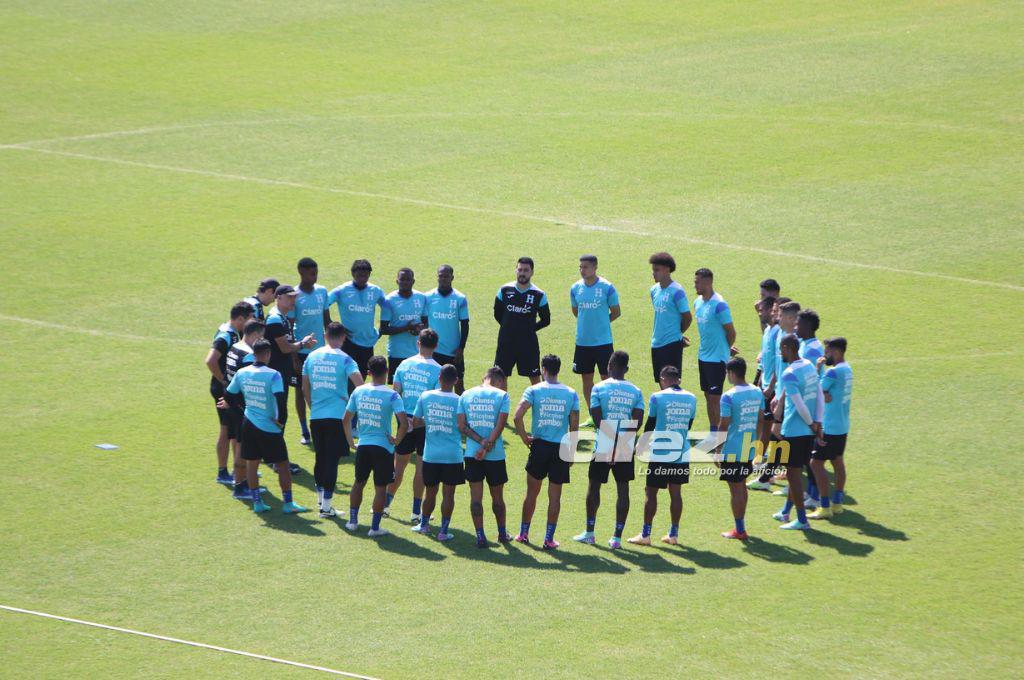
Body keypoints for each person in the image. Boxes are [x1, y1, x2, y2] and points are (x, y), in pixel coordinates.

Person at [221, 339, 307, 514]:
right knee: (282, 464)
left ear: (254, 353)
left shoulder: (242, 373)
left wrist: (244, 409)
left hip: (248, 424)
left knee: (252, 464)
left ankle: (257, 502)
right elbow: (280, 400)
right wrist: (280, 421)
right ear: (268, 354)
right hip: (269, 427)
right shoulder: (273, 374)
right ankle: (288, 503)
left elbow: (229, 396)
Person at [573, 351, 643, 549]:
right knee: (623, 489)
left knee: (594, 486)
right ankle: (616, 538)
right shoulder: (636, 391)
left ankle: (590, 532)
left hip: (603, 444)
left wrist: (610, 445)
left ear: (608, 367)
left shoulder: (598, 388)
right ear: (627, 369)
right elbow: (637, 421)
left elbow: (597, 419)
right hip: (625, 446)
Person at [513, 354, 579, 549]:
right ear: (558, 370)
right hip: (561, 449)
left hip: (539, 446)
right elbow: (574, 425)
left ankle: (523, 533)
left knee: (531, 493)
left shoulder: (533, 390)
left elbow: (517, 416)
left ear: (542, 369)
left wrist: (525, 437)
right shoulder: (571, 393)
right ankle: (549, 539)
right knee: (555, 497)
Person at [628, 366, 696, 546]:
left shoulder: (657, 397)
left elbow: (650, 424)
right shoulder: (691, 398)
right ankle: (673, 534)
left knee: (651, 492)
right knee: (676, 493)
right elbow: (688, 425)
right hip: (681, 453)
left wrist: (641, 444)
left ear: (663, 379)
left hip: (661, 453)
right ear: (678, 379)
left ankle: (645, 535)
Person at [302, 323, 363, 518]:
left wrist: (313, 406)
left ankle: (321, 501)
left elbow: (305, 387)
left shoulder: (311, 357)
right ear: (343, 337)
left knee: (320, 457)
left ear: (324, 335)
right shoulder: (346, 359)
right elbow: (360, 386)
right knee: (332, 460)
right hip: (337, 416)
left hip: (317, 415)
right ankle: (326, 507)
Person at [343, 356, 408, 537]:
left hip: (363, 446)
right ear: (387, 372)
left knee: (358, 483)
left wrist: (350, 442)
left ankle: (352, 522)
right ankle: (375, 528)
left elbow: (346, 419)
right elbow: (403, 423)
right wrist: (397, 441)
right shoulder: (392, 395)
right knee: (381, 488)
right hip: (383, 449)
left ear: (369, 373)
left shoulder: (358, 391)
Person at [385, 329, 443, 522]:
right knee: (421, 469)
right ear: (435, 345)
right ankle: (416, 512)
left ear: (418, 342)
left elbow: (395, 394)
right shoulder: (438, 370)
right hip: (424, 424)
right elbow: (435, 401)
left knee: (397, 466)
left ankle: (384, 505)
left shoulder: (403, 364)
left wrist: (403, 421)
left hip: (404, 421)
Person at [770, 334, 823, 531]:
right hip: (808, 431)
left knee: (793, 474)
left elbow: (799, 403)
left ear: (787, 348)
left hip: (794, 430)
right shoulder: (809, 366)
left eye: (781, 350)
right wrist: (817, 422)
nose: (780, 354)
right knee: (795, 472)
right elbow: (818, 394)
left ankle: (802, 519)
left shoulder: (789, 373)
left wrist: (810, 423)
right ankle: (786, 512)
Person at [458, 367, 512, 548]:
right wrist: (489, 444)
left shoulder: (465, 395)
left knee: (476, 498)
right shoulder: (502, 396)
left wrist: (480, 442)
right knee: (498, 498)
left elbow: (462, 426)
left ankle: (480, 536)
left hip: (472, 454)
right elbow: (501, 424)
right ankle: (502, 534)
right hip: (495, 455)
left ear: (485, 378)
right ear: (499, 381)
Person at [265, 285, 316, 473]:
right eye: (289, 297)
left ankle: (274, 457)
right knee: (278, 415)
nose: (293, 300)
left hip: (281, 373)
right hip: (275, 375)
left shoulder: (283, 318)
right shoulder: (275, 320)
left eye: (294, 297)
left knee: (279, 415)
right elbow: (285, 348)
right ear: (278, 297)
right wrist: (302, 344)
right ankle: (276, 460)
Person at [411, 364, 464, 541]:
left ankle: (424, 525)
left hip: (431, 455)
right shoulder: (460, 400)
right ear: (455, 381)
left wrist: (431, 420)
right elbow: (464, 426)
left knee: (430, 493)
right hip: (453, 455)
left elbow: (416, 421)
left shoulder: (426, 396)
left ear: (439, 378)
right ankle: (443, 531)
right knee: (449, 494)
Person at [205, 301, 254, 486]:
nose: (251, 322)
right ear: (240, 318)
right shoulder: (227, 335)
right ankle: (226, 472)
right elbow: (210, 360)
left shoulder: (231, 331)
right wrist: (224, 380)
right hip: (222, 388)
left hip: (226, 387)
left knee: (232, 431)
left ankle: (235, 471)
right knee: (228, 431)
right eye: (249, 318)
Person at [716, 357, 764, 540]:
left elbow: (723, 425)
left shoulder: (728, 396)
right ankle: (741, 527)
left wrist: (718, 451)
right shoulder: (757, 392)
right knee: (741, 485)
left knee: (735, 488)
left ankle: (740, 530)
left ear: (731, 373)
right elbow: (760, 420)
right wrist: (756, 442)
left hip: (733, 449)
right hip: (748, 446)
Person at [570, 255, 621, 424]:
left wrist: (602, 323)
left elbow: (616, 311)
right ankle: (594, 416)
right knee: (586, 380)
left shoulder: (607, 288)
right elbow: (576, 311)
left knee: (607, 380)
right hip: (583, 343)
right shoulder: (576, 288)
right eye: (580, 267)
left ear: (595, 267)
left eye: (585, 267)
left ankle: (608, 414)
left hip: (603, 343)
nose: (582, 270)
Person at [808, 337, 853, 520]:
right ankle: (838, 503)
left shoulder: (833, 372)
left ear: (836, 351)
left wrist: (818, 369)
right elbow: (826, 394)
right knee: (837, 462)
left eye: (827, 352)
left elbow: (817, 392)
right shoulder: (848, 369)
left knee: (816, 464)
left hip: (829, 427)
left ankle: (824, 506)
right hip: (842, 424)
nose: (825, 355)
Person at [291, 258, 331, 446]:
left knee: (320, 388)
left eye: (316, 272)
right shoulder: (294, 295)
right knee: (301, 390)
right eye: (311, 273)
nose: (315, 276)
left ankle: (318, 426)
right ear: (301, 272)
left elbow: (327, 321)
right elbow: (289, 328)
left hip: (320, 352)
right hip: (301, 352)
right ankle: (304, 429)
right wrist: (294, 356)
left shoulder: (322, 291)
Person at [494, 257, 550, 385]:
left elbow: (546, 320)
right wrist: (508, 326)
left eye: (526, 270)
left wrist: (529, 329)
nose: (522, 273)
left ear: (532, 272)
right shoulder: (504, 290)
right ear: (516, 271)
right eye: (520, 270)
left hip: (528, 343)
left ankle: (540, 404)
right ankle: (503, 405)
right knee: (500, 376)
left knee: (535, 377)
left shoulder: (538, 294)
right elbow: (497, 313)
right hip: (506, 342)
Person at [327, 259, 386, 383]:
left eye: (365, 275)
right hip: (348, 341)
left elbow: (388, 307)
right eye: (359, 275)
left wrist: (382, 328)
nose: (362, 278)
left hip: (368, 341)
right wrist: (330, 324)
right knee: (348, 377)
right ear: (353, 274)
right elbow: (324, 304)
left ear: (369, 275)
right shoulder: (342, 290)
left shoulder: (376, 291)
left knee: (362, 376)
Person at [693, 268, 737, 430]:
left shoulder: (719, 305)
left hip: (717, 359)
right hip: (703, 356)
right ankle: (713, 432)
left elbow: (731, 332)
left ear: (708, 282)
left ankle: (720, 437)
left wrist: (725, 349)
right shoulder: (697, 302)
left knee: (715, 399)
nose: (695, 285)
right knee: (707, 396)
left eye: (697, 282)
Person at [225, 319, 265, 499]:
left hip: (233, 404)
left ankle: (243, 483)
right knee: (243, 449)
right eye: (261, 335)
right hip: (243, 407)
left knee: (240, 445)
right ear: (255, 334)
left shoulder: (234, 348)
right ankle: (240, 487)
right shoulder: (249, 355)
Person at [747, 296, 778, 491]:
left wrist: (771, 385)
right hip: (765, 385)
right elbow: (765, 360)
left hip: (773, 389)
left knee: (772, 429)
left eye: (764, 310)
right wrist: (758, 380)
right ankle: (762, 461)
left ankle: (767, 468)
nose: (760, 313)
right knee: (765, 425)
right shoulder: (767, 331)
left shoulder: (776, 333)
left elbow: (778, 362)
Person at [648, 252, 692, 384]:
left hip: (671, 344)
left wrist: (677, 334)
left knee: (672, 383)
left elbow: (687, 317)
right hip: (656, 343)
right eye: (653, 270)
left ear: (667, 269)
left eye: (657, 270)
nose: (653, 273)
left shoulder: (677, 291)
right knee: (661, 382)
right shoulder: (654, 290)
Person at [426, 264, 470, 394]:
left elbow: (465, 324)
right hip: (434, 350)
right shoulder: (428, 297)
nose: (443, 279)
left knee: (459, 386)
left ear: (452, 278)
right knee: (433, 385)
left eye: (446, 276)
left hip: (454, 352)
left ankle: (461, 414)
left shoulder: (460, 298)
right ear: (437, 277)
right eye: (441, 276)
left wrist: (461, 348)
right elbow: (423, 320)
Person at [381, 268, 428, 383]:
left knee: (415, 386)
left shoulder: (421, 298)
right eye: (402, 279)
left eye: (408, 279)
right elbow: (383, 329)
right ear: (397, 281)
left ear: (413, 281)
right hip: (397, 352)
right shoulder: (389, 300)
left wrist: (420, 330)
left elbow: (426, 323)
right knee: (397, 387)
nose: (405, 282)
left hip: (417, 353)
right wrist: (406, 328)